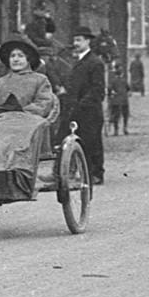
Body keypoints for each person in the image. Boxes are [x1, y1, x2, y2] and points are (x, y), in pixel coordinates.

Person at [0, 34, 59, 199]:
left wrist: (22, 111)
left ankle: (17, 175)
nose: (16, 59)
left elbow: (44, 102)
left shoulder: (40, 80)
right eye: (13, 56)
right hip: (1, 120)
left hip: (28, 120)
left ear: (28, 59)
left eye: (20, 56)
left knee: (18, 134)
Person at [56, 25, 106, 185]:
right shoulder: (79, 62)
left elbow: (97, 90)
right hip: (76, 109)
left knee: (92, 142)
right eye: (74, 40)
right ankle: (71, 172)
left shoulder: (95, 62)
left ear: (87, 41)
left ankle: (96, 174)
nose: (75, 43)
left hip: (89, 111)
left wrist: (82, 104)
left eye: (79, 40)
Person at [107, 62, 130, 135]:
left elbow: (109, 89)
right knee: (125, 115)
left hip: (116, 101)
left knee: (116, 115)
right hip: (124, 100)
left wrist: (110, 94)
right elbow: (128, 88)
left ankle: (116, 130)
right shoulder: (124, 80)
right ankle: (125, 128)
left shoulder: (113, 81)